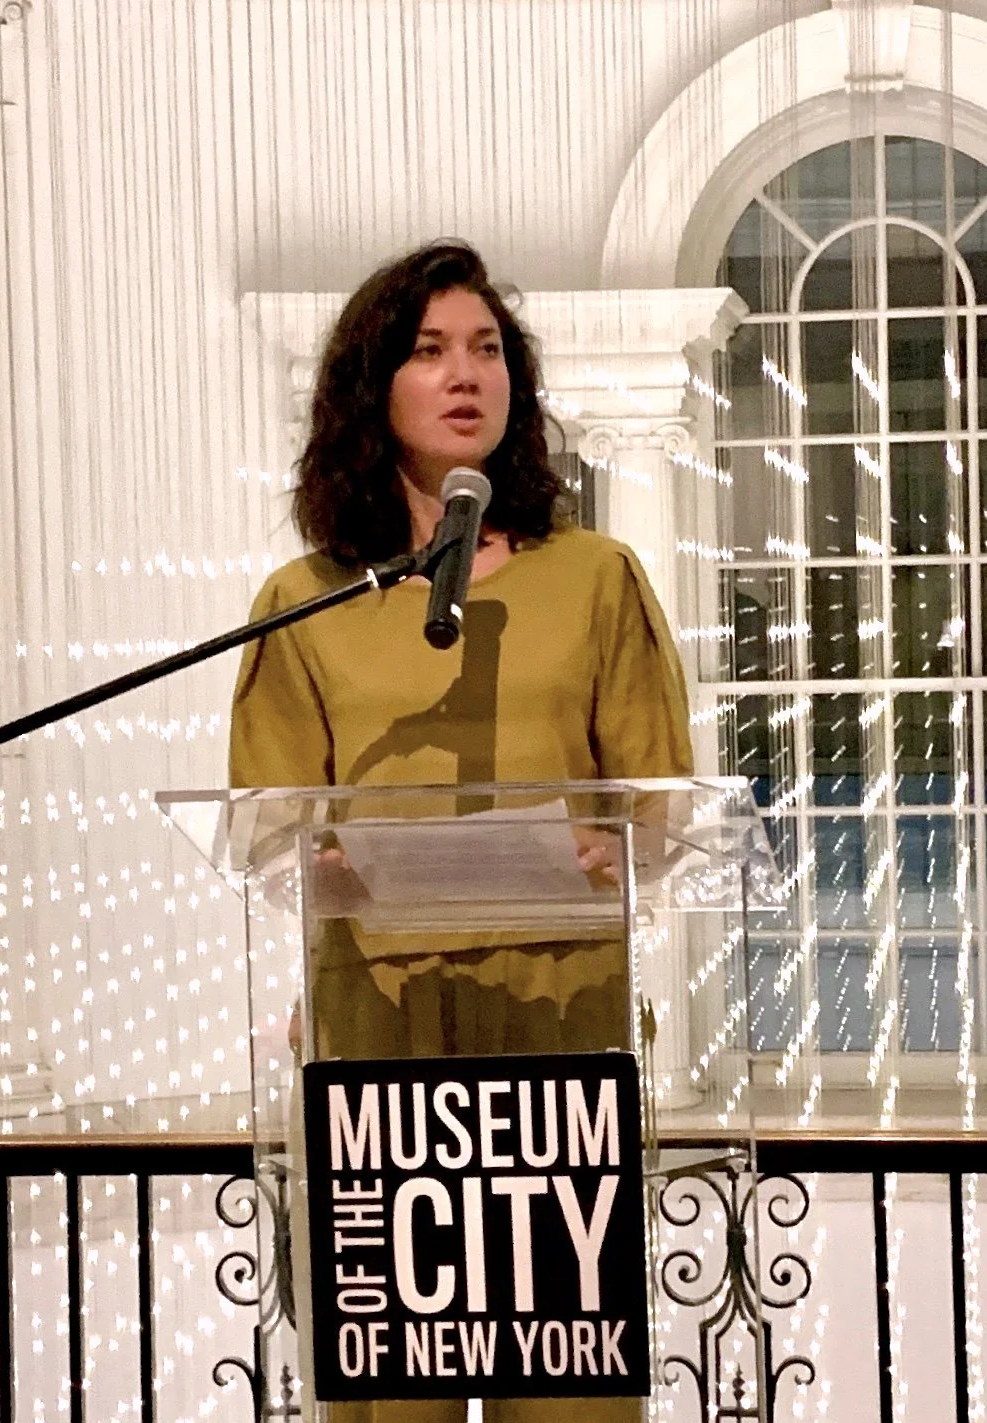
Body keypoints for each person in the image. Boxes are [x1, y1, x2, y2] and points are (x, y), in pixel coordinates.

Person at [228, 240, 690, 1423]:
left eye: (484, 349)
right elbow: (272, 821)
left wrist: (615, 849)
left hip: (556, 1017)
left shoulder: (595, 578)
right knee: (392, 1403)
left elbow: (658, 796)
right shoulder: (309, 597)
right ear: (369, 386)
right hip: (374, 1026)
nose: (463, 373)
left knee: (565, 1395)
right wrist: (316, 864)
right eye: (429, 350)